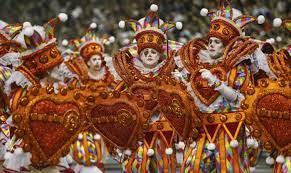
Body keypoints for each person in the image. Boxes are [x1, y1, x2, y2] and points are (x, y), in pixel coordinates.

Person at [174, 0, 271, 172]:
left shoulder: (239, 67)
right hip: (201, 130)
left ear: (226, 45)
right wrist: (179, 85)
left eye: (217, 42)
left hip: (229, 131)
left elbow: (242, 99)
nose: (211, 44)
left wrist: (218, 84)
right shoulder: (197, 66)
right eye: (210, 41)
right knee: (192, 167)